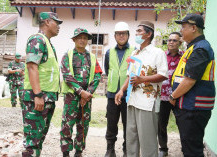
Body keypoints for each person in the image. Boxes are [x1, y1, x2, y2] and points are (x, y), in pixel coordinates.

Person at [115, 21, 168, 157]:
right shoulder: (135, 53)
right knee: (131, 139)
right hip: (132, 101)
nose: (136, 34)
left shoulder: (157, 52)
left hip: (148, 103)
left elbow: (163, 75)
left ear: (149, 34)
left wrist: (142, 79)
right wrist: (121, 90)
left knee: (148, 141)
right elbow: (130, 76)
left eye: (139, 31)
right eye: (136, 31)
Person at [170, 13, 215, 157]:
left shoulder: (200, 49)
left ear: (194, 28)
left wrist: (173, 95)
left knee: (192, 151)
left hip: (193, 108)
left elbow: (190, 80)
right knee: (189, 147)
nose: (181, 31)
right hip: (190, 106)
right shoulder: (194, 47)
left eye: (184, 27)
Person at [22, 12, 62, 156]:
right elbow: (32, 66)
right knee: (33, 141)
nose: (58, 27)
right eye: (56, 23)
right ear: (46, 22)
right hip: (38, 98)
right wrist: (38, 95)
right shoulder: (37, 40)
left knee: (38, 139)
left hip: (47, 98)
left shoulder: (46, 42)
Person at [60, 28, 102, 157]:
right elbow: (67, 75)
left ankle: (79, 151)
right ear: (74, 39)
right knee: (67, 124)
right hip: (71, 97)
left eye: (85, 38)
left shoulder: (92, 57)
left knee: (83, 125)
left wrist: (87, 93)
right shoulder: (68, 55)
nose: (82, 40)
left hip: (86, 98)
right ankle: (66, 152)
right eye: (79, 37)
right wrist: (80, 92)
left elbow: (97, 75)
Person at [104, 22, 135, 157]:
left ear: (128, 35)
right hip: (112, 94)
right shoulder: (109, 52)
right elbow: (107, 69)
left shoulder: (134, 51)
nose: (121, 36)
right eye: (118, 33)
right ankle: (110, 149)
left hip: (129, 95)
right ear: (115, 36)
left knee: (128, 125)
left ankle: (126, 149)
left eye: (124, 33)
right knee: (111, 124)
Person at [158, 32, 183, 157]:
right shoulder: (161, 56)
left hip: (179, 96)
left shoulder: (184, 57)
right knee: (161, 124)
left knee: (182, 123)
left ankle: (185, 147)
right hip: (163, 97)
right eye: (169, 40)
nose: (171, 42)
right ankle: (163, 148)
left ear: (180, 43)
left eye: (174, 40)